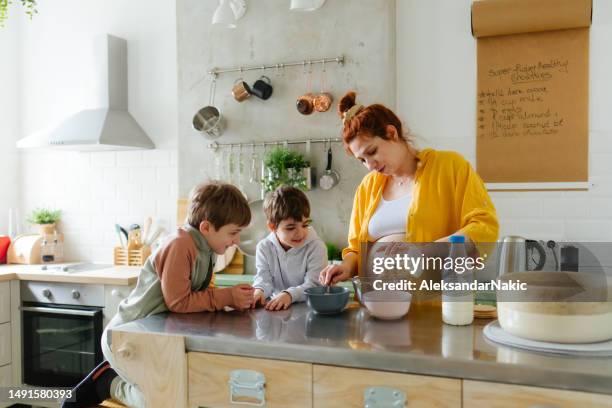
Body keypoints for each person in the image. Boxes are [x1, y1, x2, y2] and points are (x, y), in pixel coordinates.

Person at [63, 181, 254, 408]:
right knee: (159, 401)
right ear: (206, 228)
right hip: (126, 337)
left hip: (153, 339)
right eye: (233, 233)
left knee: (180, 395)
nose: (236, 241)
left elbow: (197, 297)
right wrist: (227, 297)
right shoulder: (180, 245)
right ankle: (107, 381)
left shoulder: (207, 249)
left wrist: (233, 299)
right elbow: (179, 302)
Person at [319, 91, 499, 285]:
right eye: (362, 160)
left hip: (433, 300)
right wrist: (346, 266)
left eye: (372, 152)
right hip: (375, 300)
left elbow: (484, 227)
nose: (370, 165)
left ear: (391, 133)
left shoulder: (450, 167)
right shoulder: (367, 187)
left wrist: (426, 252)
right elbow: (355, 248)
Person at [252, 186, 327, 311]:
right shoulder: (264, 248)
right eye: (291, 228)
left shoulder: (316, 247)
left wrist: (289, 295)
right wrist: (259, 291)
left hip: (308, 312)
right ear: (272, 226)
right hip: (276, 312)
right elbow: (263, 279)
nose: (300, 233)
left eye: (305, 225)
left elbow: (314, 285)